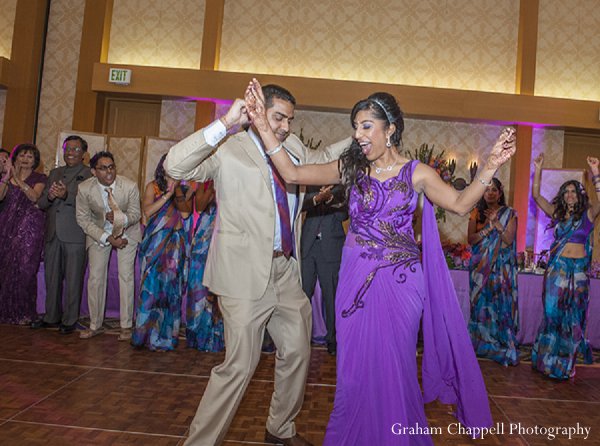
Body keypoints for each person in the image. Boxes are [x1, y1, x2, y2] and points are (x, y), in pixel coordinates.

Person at [246, 79, 516, 445]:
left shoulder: (417, 172)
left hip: (401, 286)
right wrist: (263, 126)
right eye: (355, 127)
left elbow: (461, 203)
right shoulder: (351, 169)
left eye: (366, 126)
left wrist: (491, 164)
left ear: (390, 129)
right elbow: (293, 174)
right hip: (354, 281)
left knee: (395, 367)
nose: (358, 134)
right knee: (354, 372)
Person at [165, 85, 351, 446]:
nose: (284, 127)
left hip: (284, 271)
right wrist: (225, 123)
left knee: (298, 348)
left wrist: (359, 136)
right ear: (257, 112)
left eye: (289, 120)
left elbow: (323, 156)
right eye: (278, 117)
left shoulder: (292, 148)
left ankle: (280, 430)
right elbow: (175, 165)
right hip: (242, 273)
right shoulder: (227, 148)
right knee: (239, 367)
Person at [530, 154, 598, 380]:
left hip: (578, 272)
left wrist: (596, 172)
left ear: (579, 196)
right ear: (562, 195)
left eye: (573, 191)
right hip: (557, 269)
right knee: (552, 314)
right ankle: (546, 360)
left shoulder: (588, 215)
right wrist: (538, 169)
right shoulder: (557, 214)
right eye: (566, 191)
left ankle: (566, 364)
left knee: (574, 317)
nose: (570, 195)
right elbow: (537, 196)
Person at [76, 151, 142, 341]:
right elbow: (82, 219)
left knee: (126, 276)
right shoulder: (84, 189)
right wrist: (107, 237)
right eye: (103, 168)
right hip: (99, 233)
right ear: (93, 172)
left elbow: (136, 214)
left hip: (128, 232)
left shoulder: (129, 186)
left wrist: (121, 220)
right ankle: (95, 325)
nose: (109, 172)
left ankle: (126, 326)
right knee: (96, 277)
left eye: (111, 166)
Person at [32, 135, 92, 334]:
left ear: (84, 154)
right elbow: (41, 204)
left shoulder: (89, 174)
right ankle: (51, 317)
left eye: (75, 149)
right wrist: (49, 196)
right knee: (52, 277)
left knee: (74, 279)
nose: (70, 152)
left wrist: (67, 195)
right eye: (67, 148)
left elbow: (92, 205)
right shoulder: (55, 172)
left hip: (75, 233)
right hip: (52, 233)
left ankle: (69, 320)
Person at [131, 154, 192, 350]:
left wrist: (178, 193)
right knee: (150, 289)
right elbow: (147, 212)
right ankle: (143, 336)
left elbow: (185, 214)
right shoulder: (152, 186)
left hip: (174, 246)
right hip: (155, 244)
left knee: (170, 291)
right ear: (163, 166)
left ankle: (165, 338)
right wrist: (167, 194)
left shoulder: (183, 189)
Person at [467, 178, 519, 366]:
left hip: (500, 270)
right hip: (480, 269)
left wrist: (497, 223)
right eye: (487, 190)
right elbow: (471, 240)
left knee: (499, 303)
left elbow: (508, 241)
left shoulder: (510, 213)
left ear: (500, 192)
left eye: (494, 190)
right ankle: (481, 343)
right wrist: (488, 228)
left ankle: (498, 344)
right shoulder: (475, 212)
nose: (490, 193)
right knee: (481, 305)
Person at [0, 144, 47, 324]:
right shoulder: (7, 177)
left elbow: (34, 197)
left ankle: (23, 312)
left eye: (29, 156)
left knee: (25, 270)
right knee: (6, 269)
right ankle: (6, 312)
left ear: (35, 161)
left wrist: (17, 179)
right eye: (21, 155)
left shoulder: (39, 177)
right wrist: (6, 176)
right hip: (7, 226)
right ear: (15, 157)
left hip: (30, 228)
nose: (25, 159)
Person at [300, 184, 347, 356]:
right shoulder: (310, 184)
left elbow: (344, 215)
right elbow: (300, 205)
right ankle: (300, 340)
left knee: (331, 296)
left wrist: (330, 199)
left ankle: (332, 340)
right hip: (308, 245)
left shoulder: (340, 187)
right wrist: (317, 198)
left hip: (331, 248)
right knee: (303, 296)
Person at [185, 180, 225, 352]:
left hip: (227, 231)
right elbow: (200, 206)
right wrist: (215, 187)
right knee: (199, 285)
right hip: (204, 235)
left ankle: (217, 337)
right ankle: (198, 334)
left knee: (220, 287)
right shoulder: (206, 180)